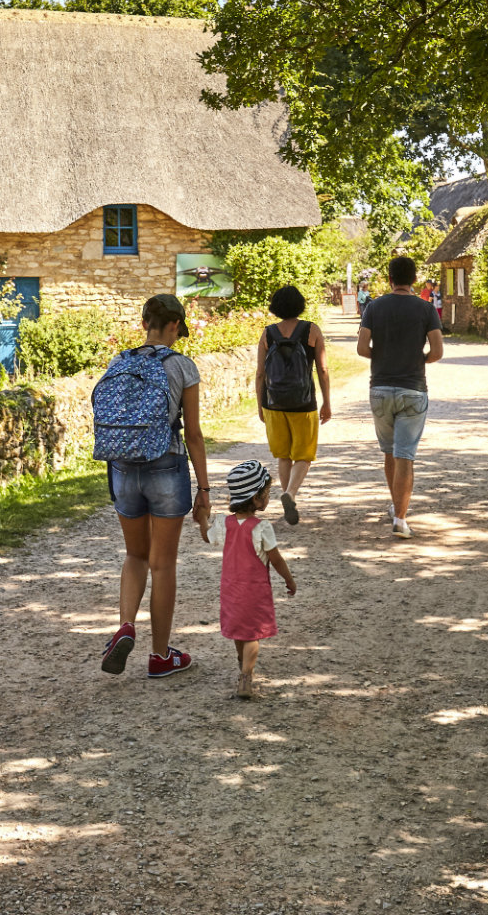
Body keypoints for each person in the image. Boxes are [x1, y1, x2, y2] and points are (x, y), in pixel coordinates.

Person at [96, 293, 212, 679]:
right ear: (175, 325)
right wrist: (205, 490)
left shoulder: (119, 362)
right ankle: (160, 655)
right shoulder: (182, 366)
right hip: (166, 465)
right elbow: (193, 434)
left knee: (135, 555)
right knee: (163, 564)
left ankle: (125, 625)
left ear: (145, 322)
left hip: (123, 468)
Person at [357, 255, 444, 538]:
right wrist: (420, 359)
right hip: (413, 388)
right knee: (406, 454)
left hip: (380, 388)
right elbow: (438, 351)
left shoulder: (373, 307)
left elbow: (361, 348)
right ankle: (401, 518)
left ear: (390, 279)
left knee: (390, 452)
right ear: (414, 279)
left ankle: (395, 507)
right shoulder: (426, 309)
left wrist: (382, 355)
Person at [207, 459, 297, 699]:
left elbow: (207, 537)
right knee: (253, 635)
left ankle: (241, 662)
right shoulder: (262, 527)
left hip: (230, 591)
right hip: (254, 592)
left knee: (239, 632)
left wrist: (199, 520)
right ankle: (246, 678)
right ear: (256, 499)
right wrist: (289, 580)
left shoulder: (223, 524)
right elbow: (276, 559)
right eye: (266, 493)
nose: (268, 498)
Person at [254, 284, 332, 525]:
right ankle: (290, 494)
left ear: (276, 307)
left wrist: (260, 405)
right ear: (300, 305)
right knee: (304, 455)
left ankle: (288, 497)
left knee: (284, 455)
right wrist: (327, 402)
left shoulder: (267, 333)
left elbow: (260, 374)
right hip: (303, 403)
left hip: (274, 403)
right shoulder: (312, 330)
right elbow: (323, 368)